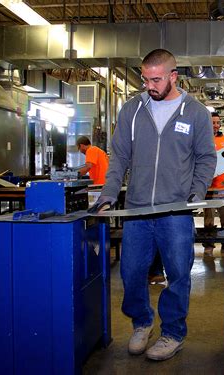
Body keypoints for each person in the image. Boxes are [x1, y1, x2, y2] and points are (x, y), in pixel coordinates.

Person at [90, 49, 216, 361]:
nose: (150, 85)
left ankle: (172, 332)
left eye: (156, 79)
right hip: (136, 209)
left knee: (178, 273)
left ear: (174, 76)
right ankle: (142, 322)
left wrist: (196, 193)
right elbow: (118, 156)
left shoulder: (195, 112)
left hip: (174, 211)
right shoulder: (132, 110)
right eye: (145, 79)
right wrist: (107, 195)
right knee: (131, 272)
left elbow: (206, 158)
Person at [203, 112, 224, 257]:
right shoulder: (202, 138)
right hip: (208, 184)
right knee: (209, 217)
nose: (216, 125)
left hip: (223, 185)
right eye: (213, 122)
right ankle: (209, 245)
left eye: (218, 122)